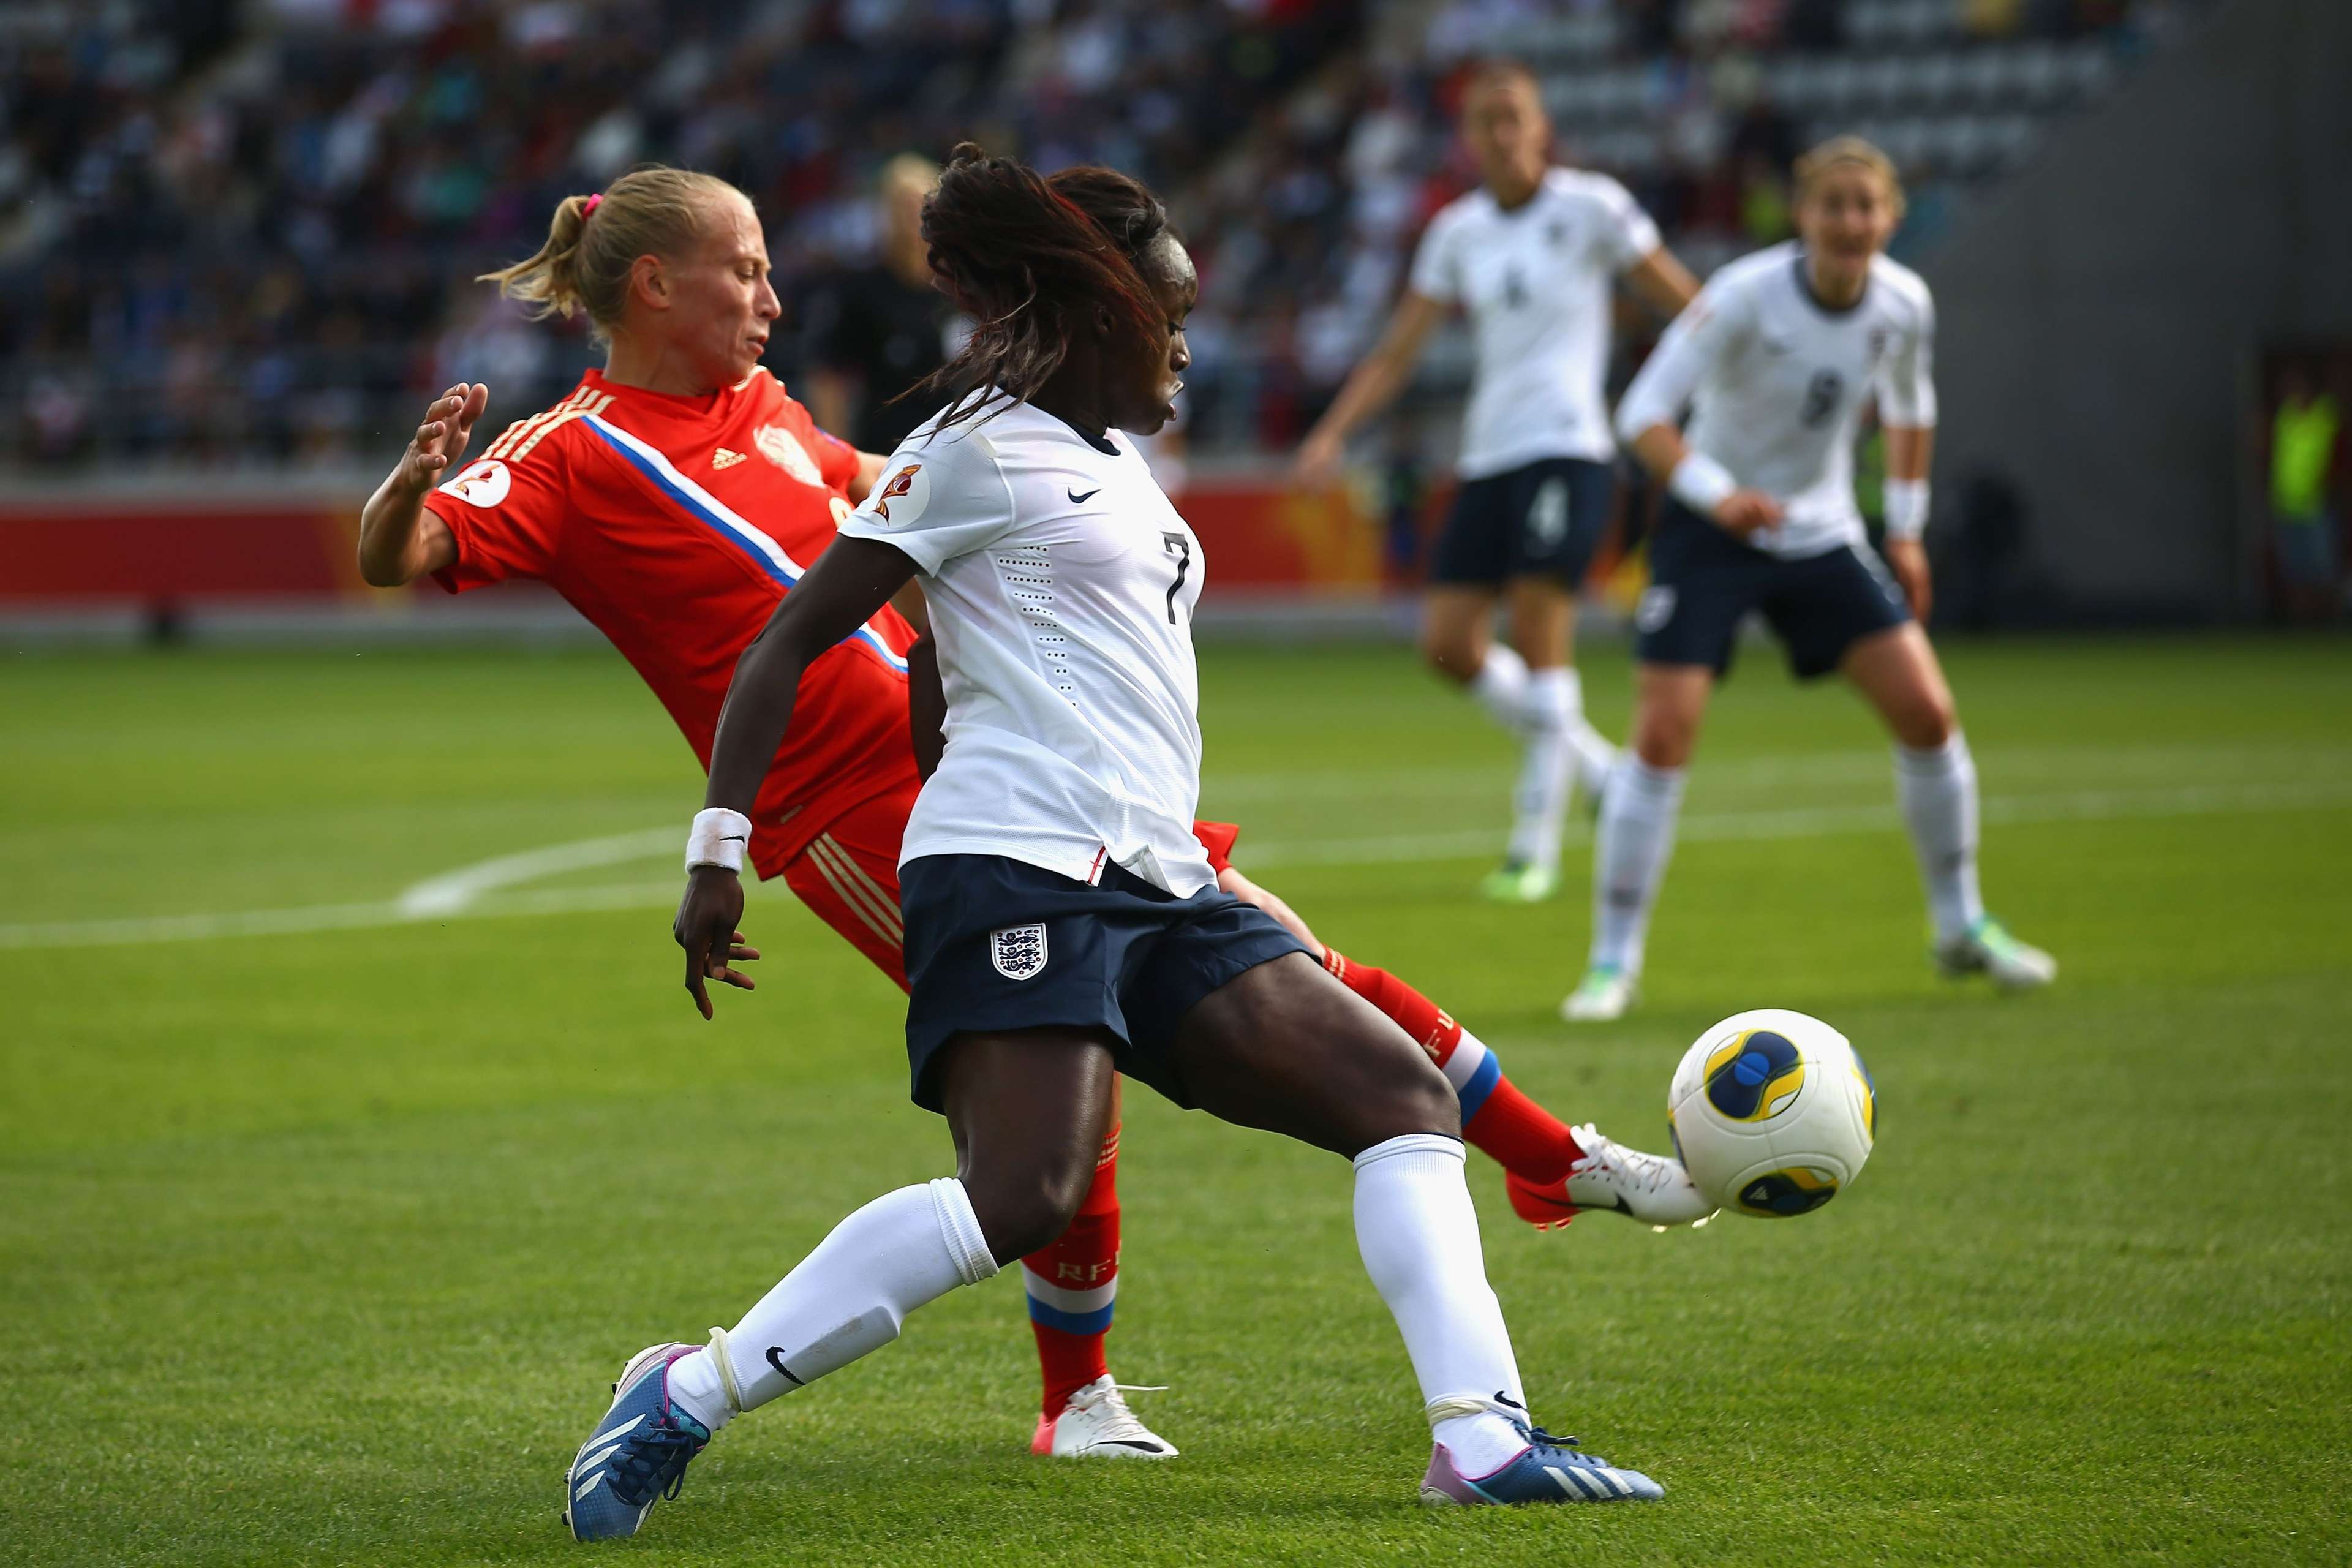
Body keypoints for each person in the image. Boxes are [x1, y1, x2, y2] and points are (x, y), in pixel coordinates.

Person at [355, 167, 1702, 1502]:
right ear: (652, 282)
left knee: (1362, 1059)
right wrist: (719, 840)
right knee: (1031, 1171)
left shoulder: (826, 422)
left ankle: (1487, 1408)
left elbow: (926, 562)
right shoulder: (594, 444)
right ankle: (796, 1389)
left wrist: (954, 674)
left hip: (1115, 841)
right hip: (892, 813)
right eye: (746, 268)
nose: (774, 294)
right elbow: (441, 564)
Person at [1561, 137, 2056, 1023]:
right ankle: (1612, 964)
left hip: (1821, 533)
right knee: (1665, 735)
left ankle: (1961, 926)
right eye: (1834, 206)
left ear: (1891, 218)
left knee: (1928, 714)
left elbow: (1911, 407)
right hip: (1710, 531)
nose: (1851, 224)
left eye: (1867, 207)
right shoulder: (1744, 297)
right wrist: (1721, 496)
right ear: (1804, 215)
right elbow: (1641, 415)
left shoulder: (1904, 303)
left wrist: (1903, 531)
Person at [1294, 60, 1700, 903]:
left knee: (1540, 627)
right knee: (1449, 644)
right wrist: (1332, 433)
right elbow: (1398, 351)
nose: (1503, 132)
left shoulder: (1594, 208)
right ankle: (1601, 771)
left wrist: (1726, 378)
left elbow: (1685, 305)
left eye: (1515, 115)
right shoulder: (1459, 231)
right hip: (1488, 455)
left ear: (1542, 125)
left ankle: (1532, 846)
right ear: (1469, 139)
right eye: (1486, 120)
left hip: (1570, 448)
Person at [801, 154, 966, 458]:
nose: (912, 215)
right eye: (899, 204)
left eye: (921, 203)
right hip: (887, 450)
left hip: (959, 448)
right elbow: (828, 376)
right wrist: (840, 457)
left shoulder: (963, 288)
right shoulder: (862, 288)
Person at [2269, 361, 2342, 622]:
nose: (2291, 391)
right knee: (2295, 568)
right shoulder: (2285, 416)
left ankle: (2333, 622)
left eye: (2296, 386)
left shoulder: (2325, 415)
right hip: (2287, 504)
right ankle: (2301, 624)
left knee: (2322, 566)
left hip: (2317, 504)